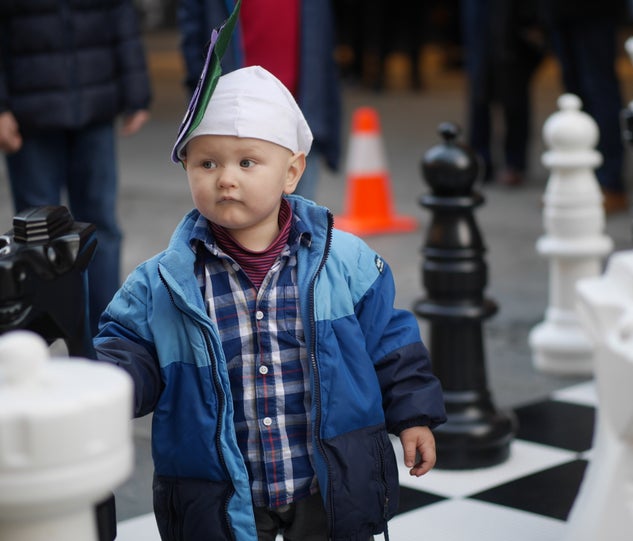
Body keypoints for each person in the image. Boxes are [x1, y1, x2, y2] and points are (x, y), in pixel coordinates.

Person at [93, 65, 446, 541]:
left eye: (247, 162)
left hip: (328, 485)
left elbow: (391, 343)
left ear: (292, 172)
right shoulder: (159, 283)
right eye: (207, 163)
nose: (225, 179)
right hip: (219, 495)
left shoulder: (347, 263)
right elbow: (127, 352)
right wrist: (105, 387)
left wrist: (414, 415)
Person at [0, 0, 152, 334]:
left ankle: (109, 334)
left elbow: (120, 14)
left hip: (94, 108)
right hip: (30, 115)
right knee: (34, 237)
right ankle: (36, 340)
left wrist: (136, 90)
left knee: (102, 229)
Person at [177, 0, 341, 201]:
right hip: (232, 116)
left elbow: (322, 42)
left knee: (299, 214)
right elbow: (193, 35)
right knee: (231, 212)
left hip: (300, 111)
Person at [538, 0, 628, 212]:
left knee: (599, 89)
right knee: (574, 90)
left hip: (592, 10)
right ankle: (578, 180)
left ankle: (610, 182)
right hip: (558, 10)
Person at [460, 0, 545, 186]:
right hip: (482, 14)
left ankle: (514, 163)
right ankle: (479, 160)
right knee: (479, 86)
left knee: (514, 88)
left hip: (512, 16)